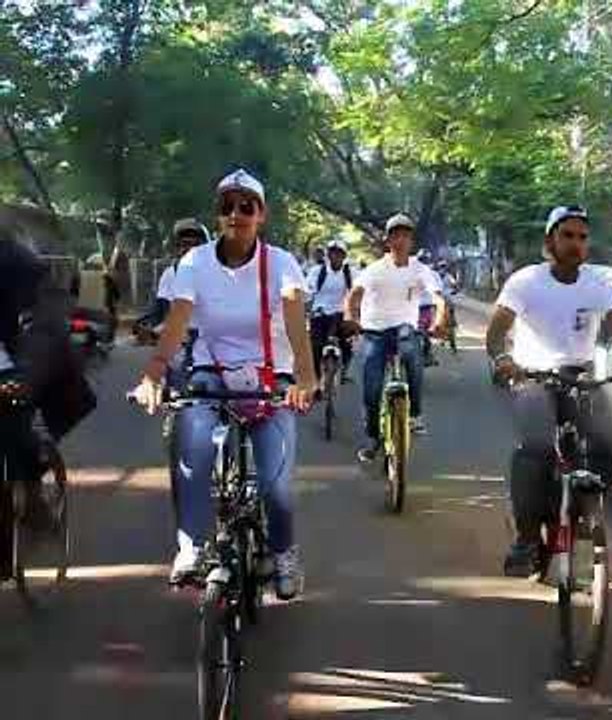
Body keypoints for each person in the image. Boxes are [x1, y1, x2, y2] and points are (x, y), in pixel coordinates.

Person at [129, 169, 318, 600]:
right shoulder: (194, 263)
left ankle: (283, 552)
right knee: (191, 445)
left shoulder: (282, 264)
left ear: (261, 215)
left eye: (246, 206)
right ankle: (192, 547)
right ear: (218, 216)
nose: (236, 214)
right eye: (227, 207)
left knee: (276, 479)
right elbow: (177, 323)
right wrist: (153, 376)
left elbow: (296, 325)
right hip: (211, 373)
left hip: (273, 378)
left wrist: (306, 377)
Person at [485, 205, 612, 577]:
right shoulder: (526, 281)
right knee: (535, 447)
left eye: (582, 237)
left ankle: (580, 510)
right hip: (533, 376)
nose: (575, 244)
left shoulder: (597, 284)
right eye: (567, 235)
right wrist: (502, 359)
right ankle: (528, 537)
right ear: (550, 240)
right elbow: (497, 330)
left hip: (580, 377)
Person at [1, 228, 96, 576]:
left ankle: (32, 500)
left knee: (12, 431)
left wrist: (26, 375)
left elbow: (43, 323)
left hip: (19, 366)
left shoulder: (16, 262)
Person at [344, 213, 446, 463]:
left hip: (404, 329)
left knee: (411, 350)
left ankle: (415, 414)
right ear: (387, 240)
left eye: (405, 235)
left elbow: (438, 298)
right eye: (395, 235)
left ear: (412, 240)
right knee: (371, 388)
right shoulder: (375, 270)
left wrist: (441, 319)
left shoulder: (420, 270)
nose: (400, 240)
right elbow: (354, 294)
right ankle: (373, 439)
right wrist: (350, 316)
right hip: (375, 331)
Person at [306, 238, 354, 381]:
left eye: (339, 253)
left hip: (340, 315)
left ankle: (344, 368)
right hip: (319, 314)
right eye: (332, 253)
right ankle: (316, 377)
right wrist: (307, 310)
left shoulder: (349, 273)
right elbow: (308, 291)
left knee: (347, 344)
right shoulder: (317, 272)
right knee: (316, 347)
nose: (335, 257)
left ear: (344, 256)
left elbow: (357, 293)